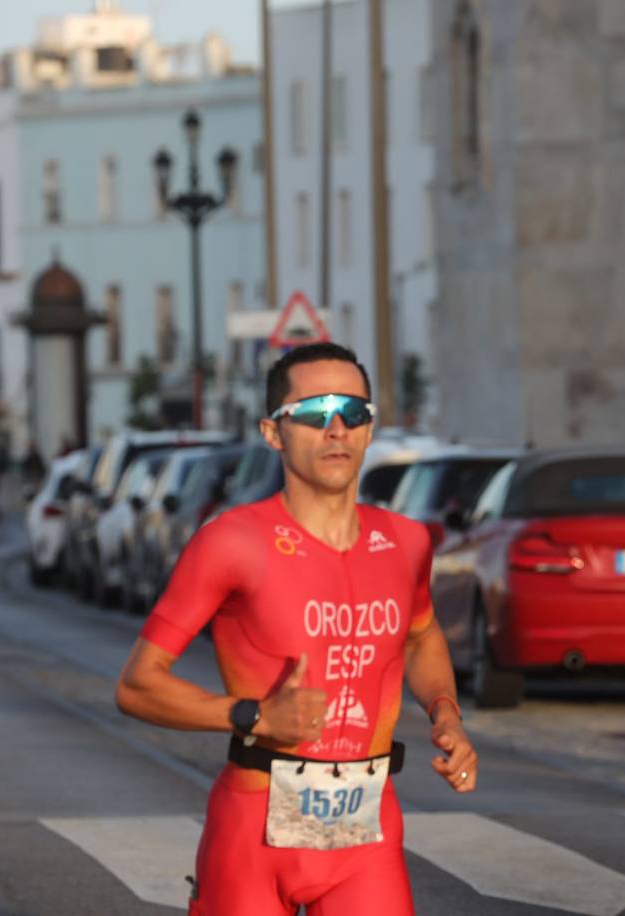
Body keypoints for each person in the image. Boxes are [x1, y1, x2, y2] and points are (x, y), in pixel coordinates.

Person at [116, 343, 477, 915]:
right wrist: (254, 716)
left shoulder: (406, 542)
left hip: (365, 837)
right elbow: (137, 685)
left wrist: (446, 713)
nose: (336, 429)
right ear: (273, 432)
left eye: (353, 412)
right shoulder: (231, 541)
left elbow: (420, 636)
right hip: (255, 831)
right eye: (313, 412)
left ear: (369, 428)